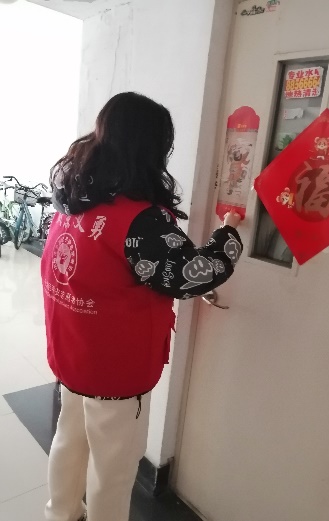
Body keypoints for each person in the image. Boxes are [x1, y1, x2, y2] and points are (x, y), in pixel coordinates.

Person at [41, 92, 242, 521]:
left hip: (72, 354)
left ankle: (61, 513)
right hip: (114, 369)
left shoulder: (74, 197)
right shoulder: (139, 220)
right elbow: (193, 273)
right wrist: (229, 231)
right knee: (112, 470)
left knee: (69, 440)